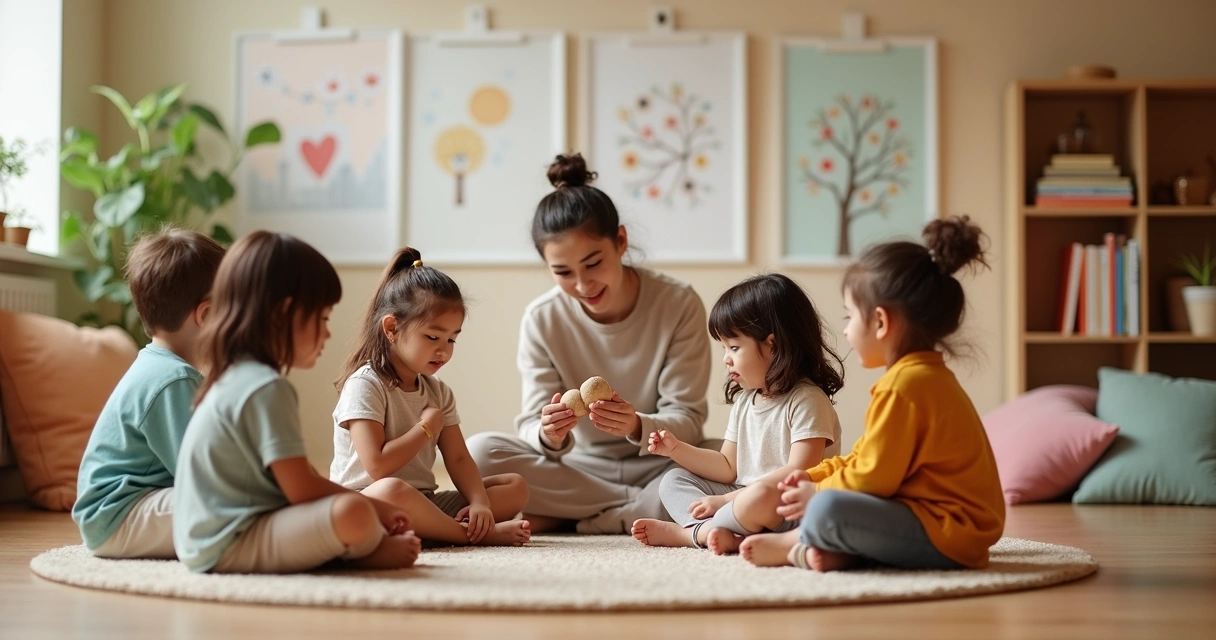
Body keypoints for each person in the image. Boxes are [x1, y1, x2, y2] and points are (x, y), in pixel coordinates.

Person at [467, 153, 715, 534]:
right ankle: (641, 507)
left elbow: (689, 420)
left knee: (729, 456)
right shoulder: (542, 318)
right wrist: (549, 432)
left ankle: (581, 515)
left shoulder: (679, 303)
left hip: (660, 460)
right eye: (563, 272)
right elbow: (531, 425)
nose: (583, 285)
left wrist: (636, 424)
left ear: (620, 241)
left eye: (593, 263)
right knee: (479, 454)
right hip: (579, 468)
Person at [740, 216, 1006, 572]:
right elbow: (863, 456)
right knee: (833, 501)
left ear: (880, 322)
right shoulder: (924, 377)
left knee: (826, 508)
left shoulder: (903, 387)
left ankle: (795, 544)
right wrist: (813, 476)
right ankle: (840, 551)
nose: (846, 331)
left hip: (949, 533)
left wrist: (816, 493)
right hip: (949, 528)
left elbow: (873, 478)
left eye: (849, 317)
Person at [174, 231, 421, 574]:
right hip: (230, 541)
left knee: (348, 507)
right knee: (354, 514)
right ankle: (360, 553)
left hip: (202, 540)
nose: (328, 333)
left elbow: (295, 475)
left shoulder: (233, 374)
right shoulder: (265, 387)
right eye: (322, 319)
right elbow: (301, 489)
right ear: (284, 313)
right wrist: (373, 508)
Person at [330, 247, 531, 547]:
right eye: (433, 337)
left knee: (515, 487)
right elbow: (377, 467)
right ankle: (467, 535)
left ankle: (438, 527)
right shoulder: (365, 385)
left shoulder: (438, 391)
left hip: (423, 501)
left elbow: (459, 458)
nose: (444, 350)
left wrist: (480, 504)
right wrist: (425, 428)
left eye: (452, 339)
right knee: (392, 490)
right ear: (392, 328)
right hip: (368, 503)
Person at [631, 273, 843, 554]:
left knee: (758, 497)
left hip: (785, 506)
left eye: (733, 347)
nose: (725, 359)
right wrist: (676, 449)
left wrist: (725, 501)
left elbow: (799, 472)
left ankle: (690, 534)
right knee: (673, 480)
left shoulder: (808, 400)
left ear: (773, 345)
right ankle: (712, 531)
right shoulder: (745, 401)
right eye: (724, 348)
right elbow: (727, 466)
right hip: (740, 497)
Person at [72, 228, 225, 559]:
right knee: (230, 507)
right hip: (118, 516)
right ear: (207, 315)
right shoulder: (174, 379)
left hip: (116, 513)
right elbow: (204, 477)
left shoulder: (159, 366)